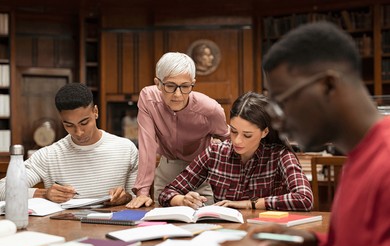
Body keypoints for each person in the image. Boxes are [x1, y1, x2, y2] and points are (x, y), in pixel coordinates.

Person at [207, 21, 390, 246]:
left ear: (328, 85)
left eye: (282, 102)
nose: (277, 121)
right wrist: (310, 243)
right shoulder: (358, 157)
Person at [158, 92, 313, 211]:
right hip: (224, 233)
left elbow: (305, 198)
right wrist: (181, 200)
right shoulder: (215, 153)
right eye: (233, 131)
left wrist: (250, 204)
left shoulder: (280, 156)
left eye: (247, 135)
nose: (237, 141)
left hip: (264, 234)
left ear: (265, 132)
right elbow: (167, 192)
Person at [0, 83, 138, 206]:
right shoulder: (49, 155)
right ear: (61, 120)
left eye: (84, 123)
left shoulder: (126, 149)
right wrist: (43, 194)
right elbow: (3, 189)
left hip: (112, 228)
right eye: (69, 125)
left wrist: (124, 198)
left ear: (95, 112)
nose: (78, 132)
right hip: (64, 229)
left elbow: (138, 199)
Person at [126, 52, 229, 208]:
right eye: (170, 86)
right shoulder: (148, 98)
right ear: (158, 83)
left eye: (185, 86)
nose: (178, 95)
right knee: (161, 223)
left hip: (200, 172)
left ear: (193, 83)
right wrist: (142, 192)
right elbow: (147, 145)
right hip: (166, 170)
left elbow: (229, 141)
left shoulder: (211, 110)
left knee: (203, 222)